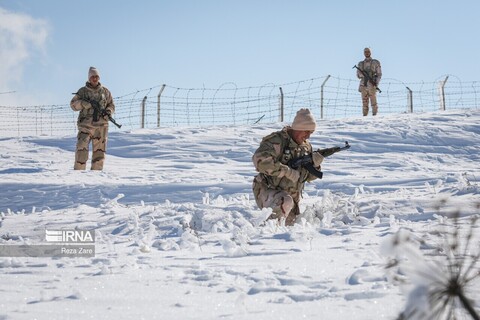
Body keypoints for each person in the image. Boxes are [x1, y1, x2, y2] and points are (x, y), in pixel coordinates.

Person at [252, 108, 324, 226]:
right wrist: (286, 171)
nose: (308, 136)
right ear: (298, 128)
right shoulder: (277, 141)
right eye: (306, 132)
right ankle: (266, 232)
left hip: (291, 200)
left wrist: (316, 165)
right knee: (278, 219)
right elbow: (260, 161)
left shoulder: (305, 147)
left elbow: (307, 177)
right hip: (266, 189)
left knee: (289, 229)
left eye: (311, 133)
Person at [70, 67, 115, 170]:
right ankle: (78, 175)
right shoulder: (82, 91)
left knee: (99, 154)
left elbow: (111, 105)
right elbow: (73, 105)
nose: (95, 79)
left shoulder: (105, 92)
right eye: (92, 77)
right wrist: (83, 104)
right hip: (85, 126)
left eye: (96, 76)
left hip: (101, 127)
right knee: (81, 151)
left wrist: (108, 112)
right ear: (89, 78)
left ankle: (96, 177)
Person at [356, 47, 382, 116]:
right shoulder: (360, 64)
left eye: (368, 51)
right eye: (365, 52)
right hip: (363, 84)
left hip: (372, 84)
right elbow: (358, 75)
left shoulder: (375, 62)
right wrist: (363, 75)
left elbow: (379, 74)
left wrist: (376, 83)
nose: (366, 53)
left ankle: (375, 115)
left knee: (373, 101)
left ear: (370, 52)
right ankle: (365, 116)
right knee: (364, 101)